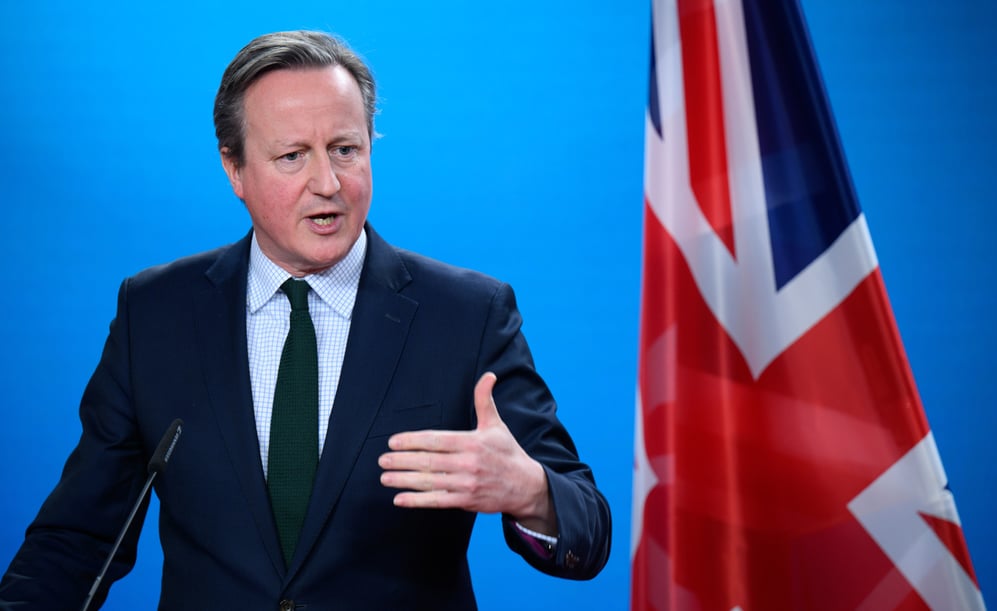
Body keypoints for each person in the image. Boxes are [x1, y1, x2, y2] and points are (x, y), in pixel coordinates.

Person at [0, 30, 610, 609]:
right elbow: (77, 540)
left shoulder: (468, 315)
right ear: (234, 169)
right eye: (293, 156)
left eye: (346, 150)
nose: (328, 183)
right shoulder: (155, 314)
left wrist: (530, 491)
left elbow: (589, 528)